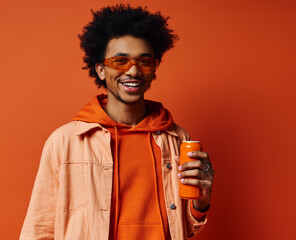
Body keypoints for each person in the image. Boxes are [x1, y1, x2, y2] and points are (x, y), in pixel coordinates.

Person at [20, 4, 214, 240]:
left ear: (154, 69)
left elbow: (185, 228)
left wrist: (201, 203)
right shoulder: (65, 142)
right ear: (100, 70)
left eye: (144, 61)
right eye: (120, 61)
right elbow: (38, 230)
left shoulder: (178, 139)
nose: (133, 71)